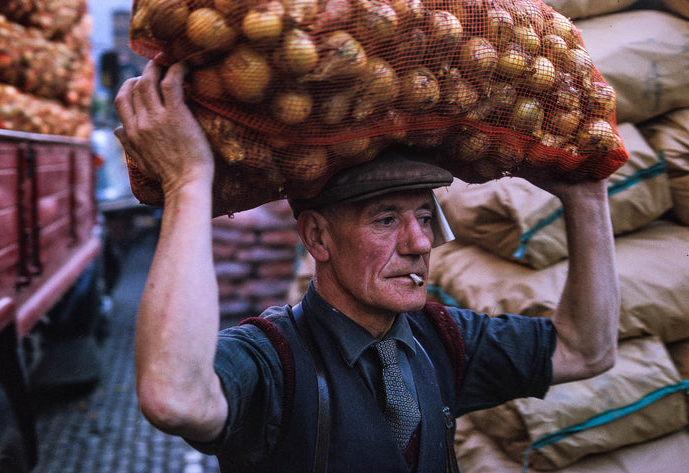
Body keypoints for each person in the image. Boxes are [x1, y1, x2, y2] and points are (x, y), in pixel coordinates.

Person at [114, 60, 620, 472]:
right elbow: (174, 397)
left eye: (425, 215)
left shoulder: (441, 338)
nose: (420, 241)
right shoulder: (272, 362)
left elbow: (586, 350)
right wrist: (187, 183)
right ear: (317, 236)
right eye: (385, 220)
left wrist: (587, 197)